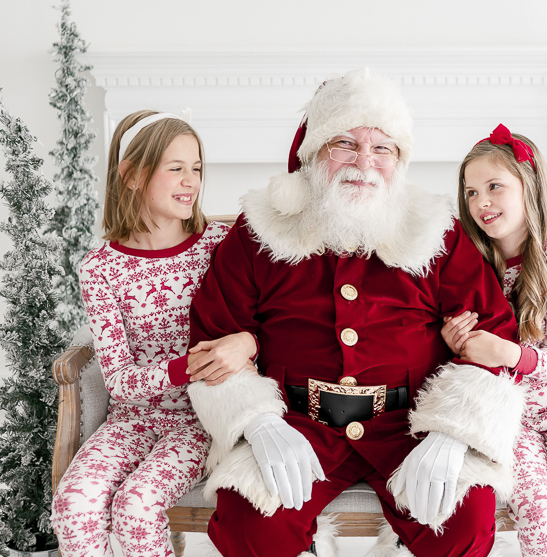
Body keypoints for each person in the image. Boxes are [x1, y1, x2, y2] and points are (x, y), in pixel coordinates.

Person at [184, 69, 529, 557]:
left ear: (399, 160)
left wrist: (452, 435)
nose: (364, 163)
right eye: (345, 143)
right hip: (295, 423)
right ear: (314, 152)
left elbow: (493, 335)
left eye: (382, 149)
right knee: (249, 527)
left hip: (409, 425)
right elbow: (214, 340)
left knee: (465, 524)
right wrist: (257, 423)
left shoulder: (438, 234)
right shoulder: (258, 232)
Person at [51, 110, 257, 557]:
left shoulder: (219, 246)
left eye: (197, 169)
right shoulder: (100, 268)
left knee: (137, 506)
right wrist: (188, 365)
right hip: (129, 420)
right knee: (72, 504)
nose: (191, 182)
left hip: (200, 420)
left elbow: (258, 324)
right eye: (176, 168)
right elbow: (120, 380)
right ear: (131, 176)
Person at [441, 124, 547, 557]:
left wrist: (510, 352)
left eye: (494, 187)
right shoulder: (469, 262)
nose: (481, 202)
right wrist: (450, 340)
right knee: (537, 526)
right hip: (507, 420)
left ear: (529, 184)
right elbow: (459, 353)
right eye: (471, 193)